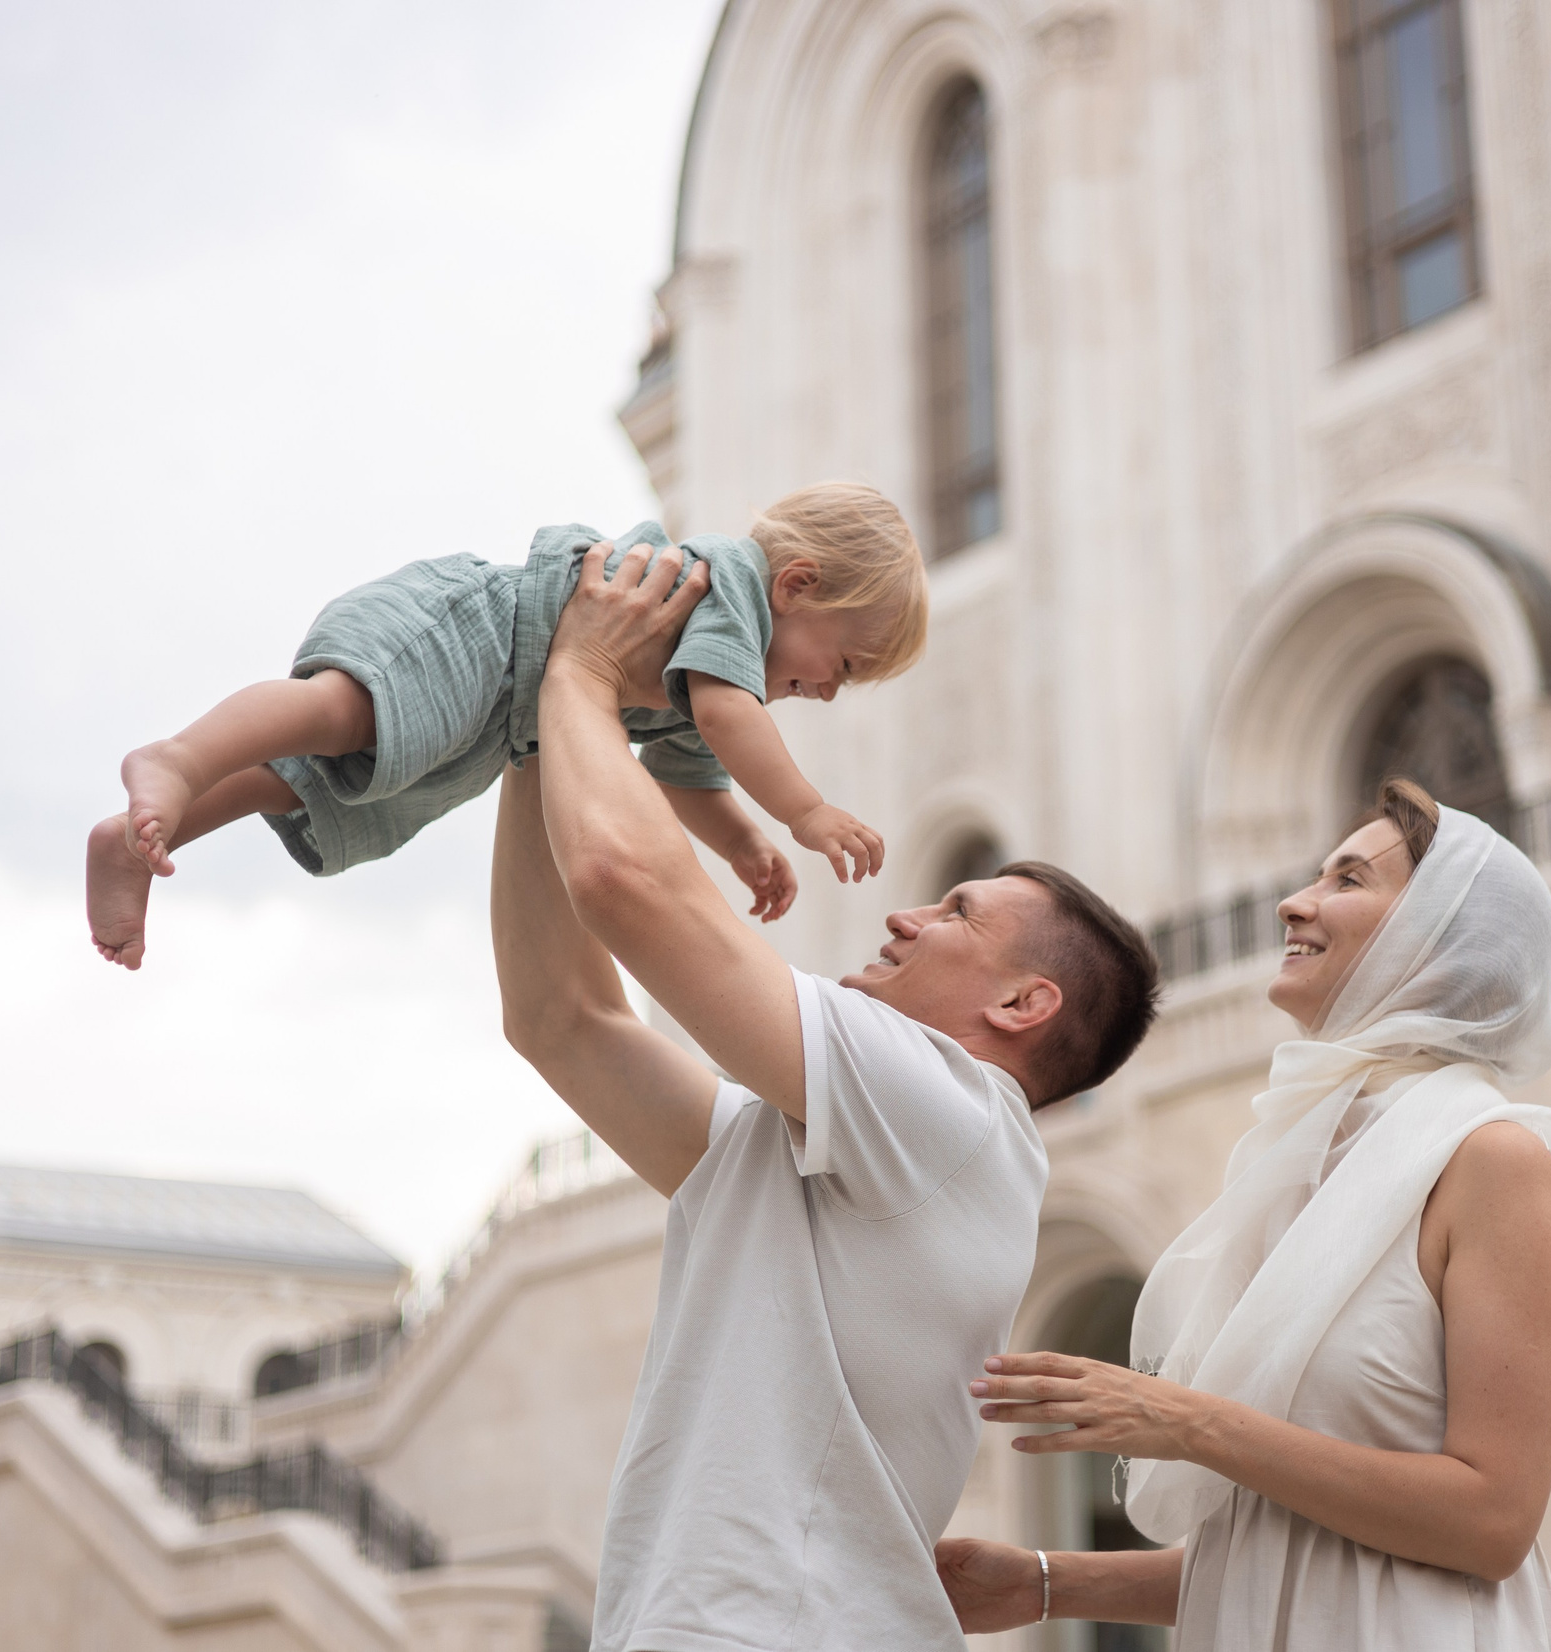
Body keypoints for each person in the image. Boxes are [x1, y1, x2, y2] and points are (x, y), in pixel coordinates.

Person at [493, 544, 1161, 1652]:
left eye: (956, 911)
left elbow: (627, 881)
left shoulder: (948, 1105)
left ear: (1023, 1002)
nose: (904, 918)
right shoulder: (849, 1148)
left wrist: (579, 673)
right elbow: (563, 1018)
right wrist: (535, 732)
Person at [938, 778, 1551, 1649]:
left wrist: (1184, 1422)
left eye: (1348, 880)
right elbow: (1281, 1539)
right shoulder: (1302, 1160)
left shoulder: (1492, 1158)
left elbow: (1491, 1522)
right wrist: (1044, 1582)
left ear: (1440, 934)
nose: (1296, 901)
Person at [84, 481, 925, 968]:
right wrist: (805, 813)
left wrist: (740, 842)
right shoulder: (730, 591)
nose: (825, 693)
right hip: (482, 629)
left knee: (314, 781)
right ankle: (176, 758)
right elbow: (727, 716)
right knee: (337, 714)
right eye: (842, 666)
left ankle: (140, 838)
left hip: (501, 715)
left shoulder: (706, 674)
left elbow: (689, 773)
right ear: (799, 585)